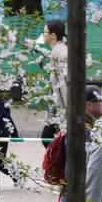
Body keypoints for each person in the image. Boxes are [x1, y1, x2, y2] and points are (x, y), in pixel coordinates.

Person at [39, 19, 69, 147]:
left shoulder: (61, 53)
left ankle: (62, 165)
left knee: (48, 138)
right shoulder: (57, 51)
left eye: (44, 31)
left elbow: (64, 84)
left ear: (53, 35)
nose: (43, 34)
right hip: (57, 104)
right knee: (52, 139)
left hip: (62, 106)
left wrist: (66, 111)